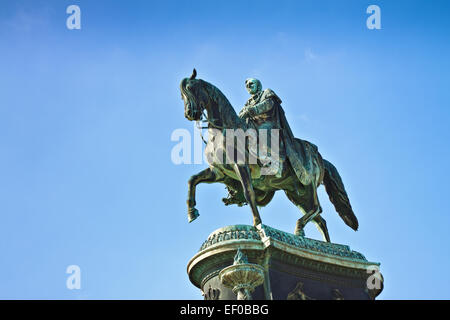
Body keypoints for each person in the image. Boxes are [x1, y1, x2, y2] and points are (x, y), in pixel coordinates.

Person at [238, 78, 315, 185]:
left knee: (264, 131)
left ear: (258, 85)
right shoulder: (248, 102)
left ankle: (276, 164)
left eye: (251, 84)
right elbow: (241, 115)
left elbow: (269, 104)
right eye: (247, 86)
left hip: (269, 124)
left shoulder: (267, 92)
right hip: (253, 126)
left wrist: (252, 110)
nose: (249, 87)